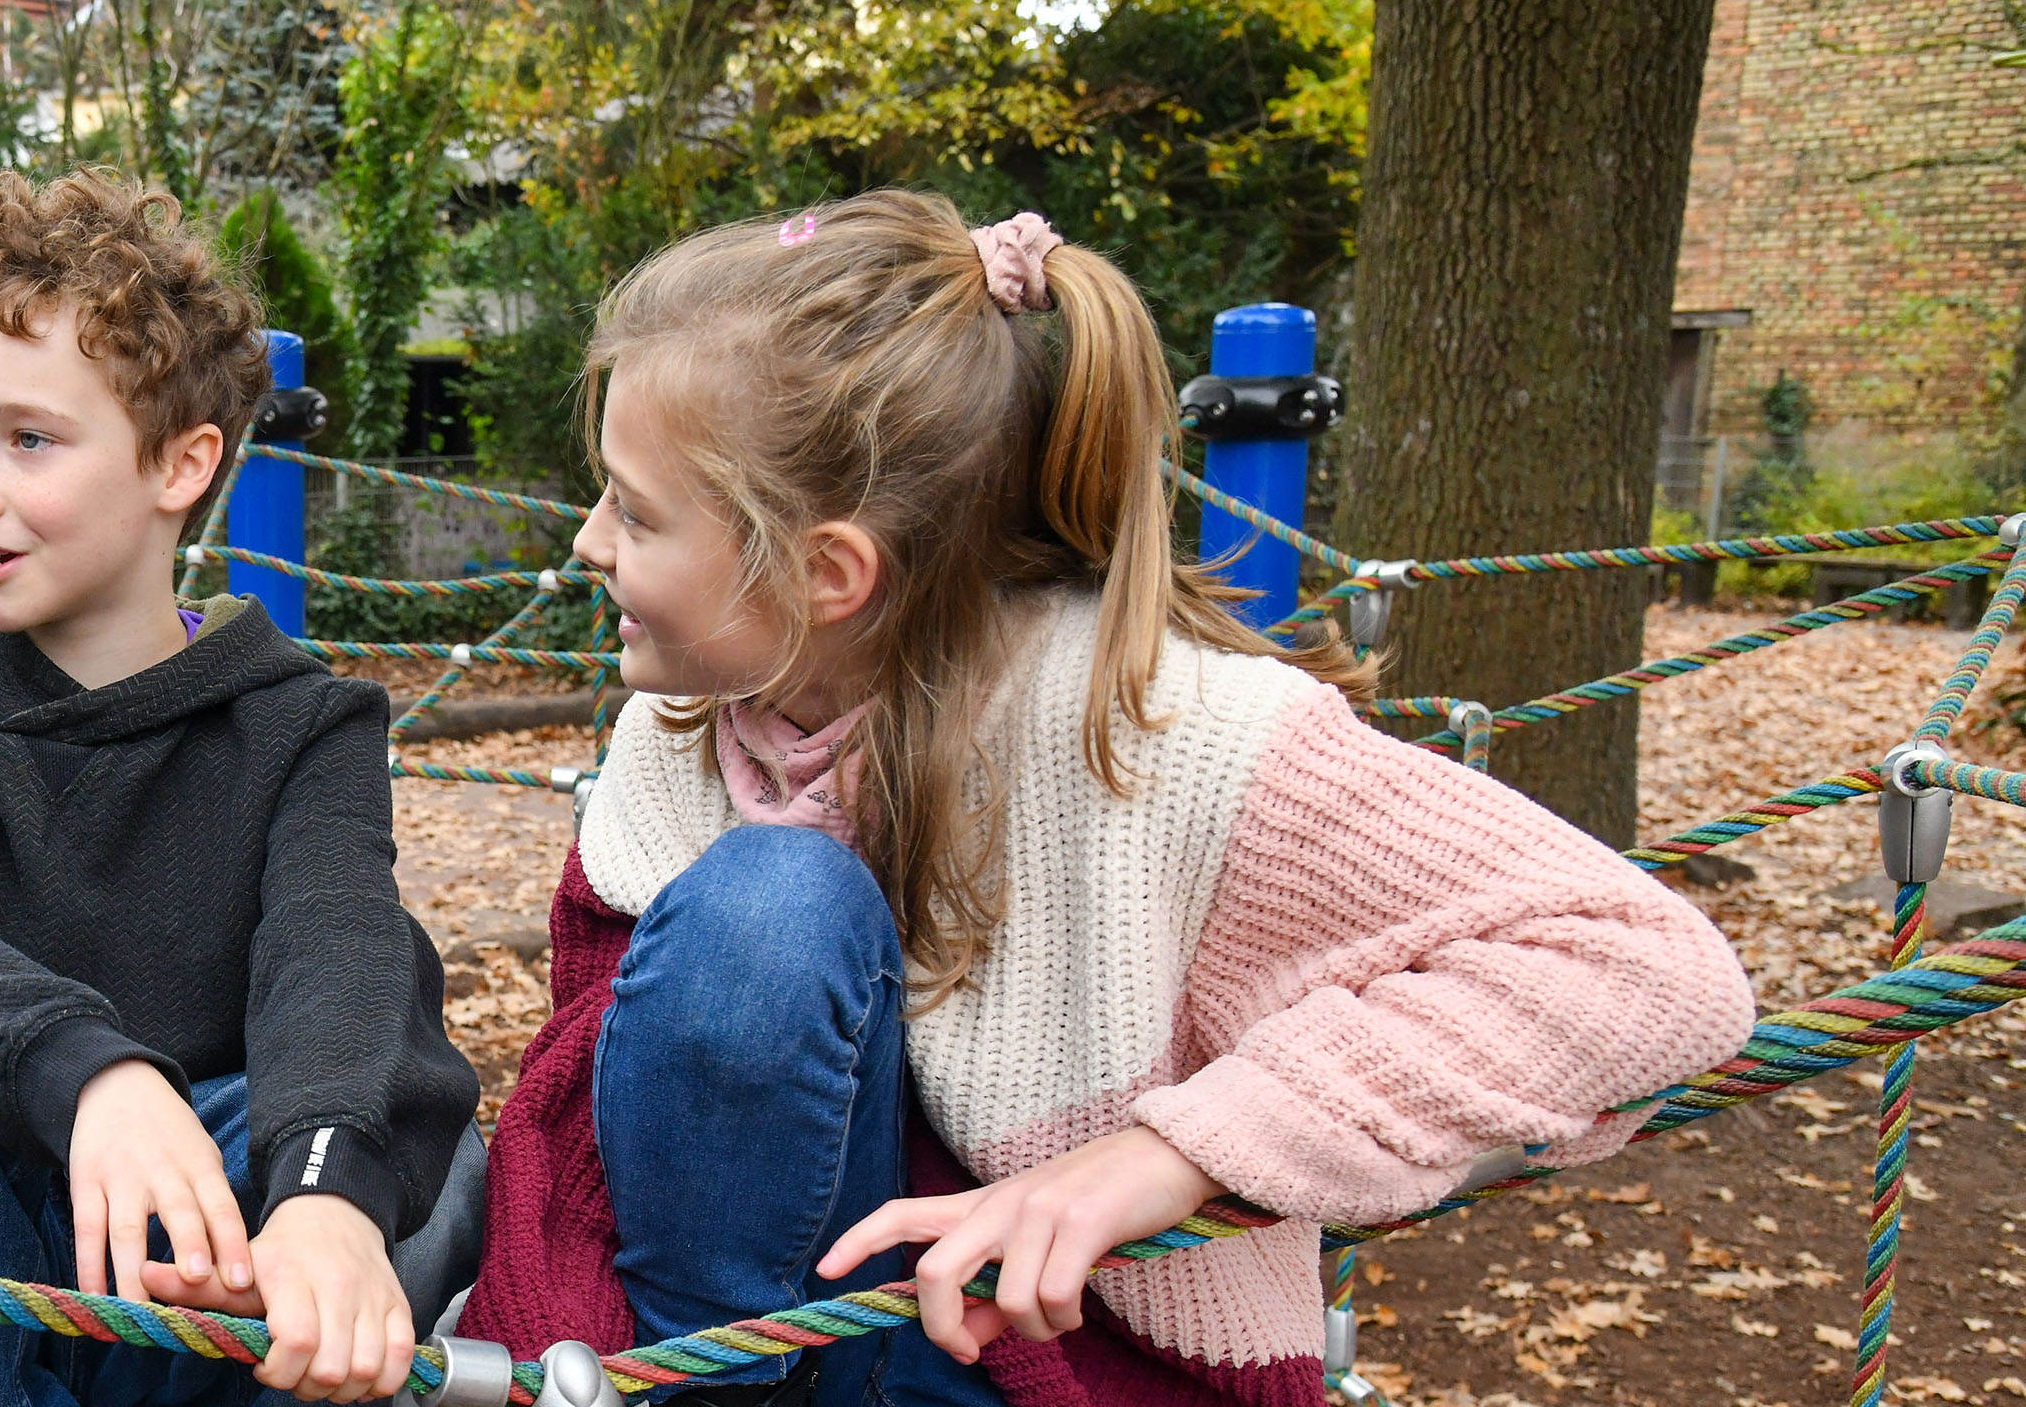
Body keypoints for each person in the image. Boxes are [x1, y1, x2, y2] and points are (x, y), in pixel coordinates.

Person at [455, 192, 1758, 1407]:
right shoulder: (674, 734)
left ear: (828, 572)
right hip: (711, 1350)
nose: (588, 542)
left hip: (1032, 1355)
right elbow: (592, 1131)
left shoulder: (1168, 733)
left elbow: (1646, 970)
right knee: (765, 912)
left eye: (634, 512)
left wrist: (1173, 1157)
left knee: (768, 902)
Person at [0, 168, 485, 1407]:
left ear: (179, 464)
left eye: (29, 439)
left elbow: (336, 941)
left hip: (203, 1250)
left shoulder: (301, 719)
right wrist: (93, 1074)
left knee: (409, 1162)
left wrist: (326, 1188)